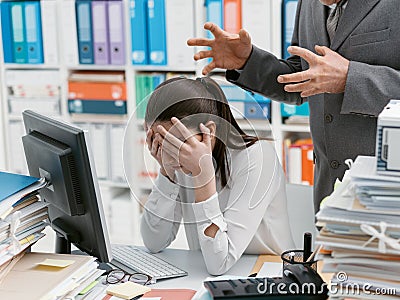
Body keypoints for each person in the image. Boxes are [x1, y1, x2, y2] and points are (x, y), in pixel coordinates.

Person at [187, 0, 400, 213]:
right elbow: (302, 78)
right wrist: (248, 62)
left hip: (387, 192)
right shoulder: (308, 4)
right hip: (328, 192)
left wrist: (350, 79)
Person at [140, 77, 295, 275]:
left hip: (270, 277)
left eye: (177, 143)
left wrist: (202, 177)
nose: (170, 152)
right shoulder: (180, 160)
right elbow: (154, 243)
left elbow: (220, 262)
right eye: (161, 142)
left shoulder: (258, 157)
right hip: (207, 278)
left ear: (209, 131)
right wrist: (166, 172)